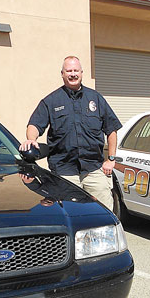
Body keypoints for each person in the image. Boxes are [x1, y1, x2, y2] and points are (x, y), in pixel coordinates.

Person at [19, 55, 121, 210]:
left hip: (93, 168)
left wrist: (111, 159)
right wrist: (31, 139)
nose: (73, 74)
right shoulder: (51, 101)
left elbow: (111, 129)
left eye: (76, 70)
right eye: (69, 71)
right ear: (62, 74)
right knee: (70, 214)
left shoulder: (96, 98)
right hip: (64, 171)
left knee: (104, 212)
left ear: (81, 72)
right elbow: (34, 124)